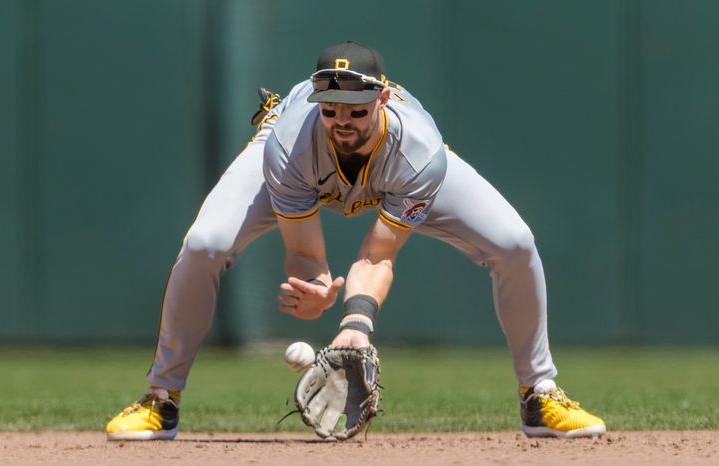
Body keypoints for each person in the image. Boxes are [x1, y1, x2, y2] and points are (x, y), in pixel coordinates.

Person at [106, 41, 605, 441]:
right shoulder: (289, 143)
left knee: (515, 242)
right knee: (205, 244)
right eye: (330, 110)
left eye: (356, 109)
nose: (342, 121)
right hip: (293, 164)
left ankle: (539, 392)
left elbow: (377, 253)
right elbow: (304, 252)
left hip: (397, 171)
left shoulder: (419, 152)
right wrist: (317, 285)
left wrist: (355, 323)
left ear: (382, 98)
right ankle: (161, 399)